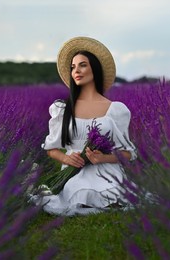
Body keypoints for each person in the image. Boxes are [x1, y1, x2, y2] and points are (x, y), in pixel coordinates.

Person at [30, 36, 138, 216]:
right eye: (73, 67)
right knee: (76, 189)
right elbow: (51, 149)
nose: (76, 71)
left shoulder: (116, 110)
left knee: (112, 192)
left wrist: (102, 158)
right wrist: (66, 159)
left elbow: (127, 154)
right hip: (75, 171)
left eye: (82, 65)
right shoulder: (62, 109)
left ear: (95, 68)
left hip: (106, 170)